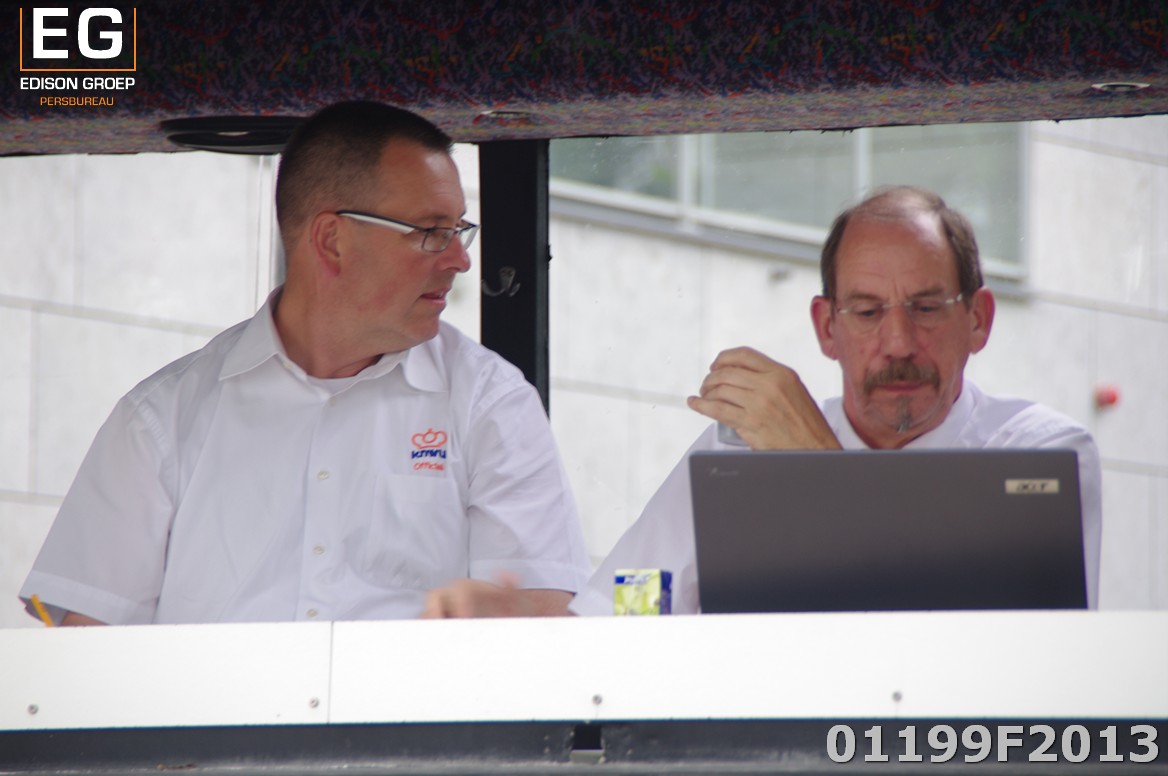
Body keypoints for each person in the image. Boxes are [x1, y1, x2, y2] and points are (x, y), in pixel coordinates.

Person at [20, 101, 590, 625]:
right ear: (332, 239)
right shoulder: (159, 420)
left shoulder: (490, 402)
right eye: (431, 233)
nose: (460, 260)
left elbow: (546, 627)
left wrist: (502, 615)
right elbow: (87, 642)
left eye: (459, 230)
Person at [569, 185, 1102, 615]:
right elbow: (621, 610)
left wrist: (813, 468)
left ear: (978, 320)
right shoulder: (745, 449)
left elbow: (980, 658)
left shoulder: (1040, 452)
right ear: (827, 328)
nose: (898, 343)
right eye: (867, 313)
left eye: (926, 309)